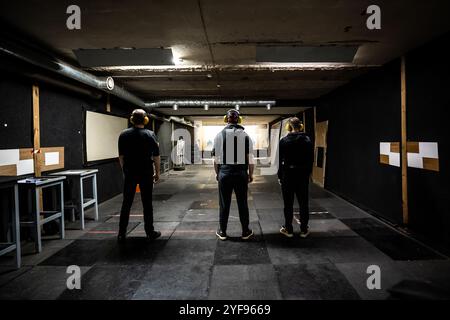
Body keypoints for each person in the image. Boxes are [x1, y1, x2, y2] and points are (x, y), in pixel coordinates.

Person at [117, 109, 161, 243]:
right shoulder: (150, 134)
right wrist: (157, 172)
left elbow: (121, 157)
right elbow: (156, 156)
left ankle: (121, 233)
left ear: (132, 120)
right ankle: (150, 231)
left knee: (126, 203)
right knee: (147, 203)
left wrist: (125, 171)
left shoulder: (123, 135)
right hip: (146, 172)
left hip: (130, 172)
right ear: (145, 120)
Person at [213, 109, 254, 241]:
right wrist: (250, 174)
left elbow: (216, 159)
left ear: (226, 119)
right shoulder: (246, 135)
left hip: (225, 172)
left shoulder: (219, 135)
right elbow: (250, 158)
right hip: (241, 173)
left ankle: (223, 232)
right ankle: (245, 231)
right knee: (243, 203)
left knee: (224, 203)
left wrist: (217, 173)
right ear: (239, 120)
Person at [278, 117, 314, 238]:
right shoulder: (307, 140)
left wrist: (280, 176)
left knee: (288, 204)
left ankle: (288, 229)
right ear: (301, 126)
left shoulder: (283, 141)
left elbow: (280, 161)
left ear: (289, 127)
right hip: (302, 175)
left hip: (287, 175)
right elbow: (310, 160)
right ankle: (304, 229)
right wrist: (308, 174)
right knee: (303, 203)